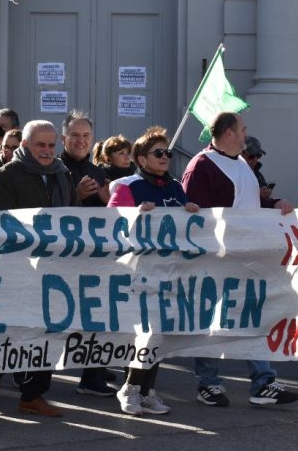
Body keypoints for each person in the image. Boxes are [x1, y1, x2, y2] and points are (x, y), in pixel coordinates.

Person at [180, 111, 298, 408]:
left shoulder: (242, 166)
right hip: (215, 259)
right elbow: (194, 214)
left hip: (247, 256)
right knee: (209, 320)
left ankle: (264, 382)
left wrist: (273, 203)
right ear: (229, 133)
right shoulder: (202, 166)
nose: (246, 134)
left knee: (252, 316)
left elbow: (250, 202)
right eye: (243, 129)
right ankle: (208, 383)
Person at [108, 128, 198, 416]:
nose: (165, 157)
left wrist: (194, 211)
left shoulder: (174, 187)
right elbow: (109, 225)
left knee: (160, 334)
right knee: (146, 332)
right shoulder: (127, 186)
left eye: (167, 153)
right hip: (137, 273)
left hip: (170, 272)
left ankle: (147, 390)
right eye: (158, 153)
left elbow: (185, 225)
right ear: (141, 159)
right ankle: (130, 388)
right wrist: (134, 215)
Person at [0, 120, 72, 418]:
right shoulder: (5, 175)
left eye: (51, 145)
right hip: (17, 266)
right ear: (24, 146)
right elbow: (1, 220)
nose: (47, 151)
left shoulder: (62, 175)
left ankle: (33, 395)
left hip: (53, 268)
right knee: (10, 328)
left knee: (49, 329)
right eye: (40, 145)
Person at [57, 112, 115, 397]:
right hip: (60, 259)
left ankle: (93, 375)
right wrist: (76, 195)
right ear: (63, 138)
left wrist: (109, 202)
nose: (81, 141)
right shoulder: (53, 168)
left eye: (86, 136)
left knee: (98, 314)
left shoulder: (98, 171)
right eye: (75, 135)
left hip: (94, 257)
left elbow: (110, 215)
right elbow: (47, 211)